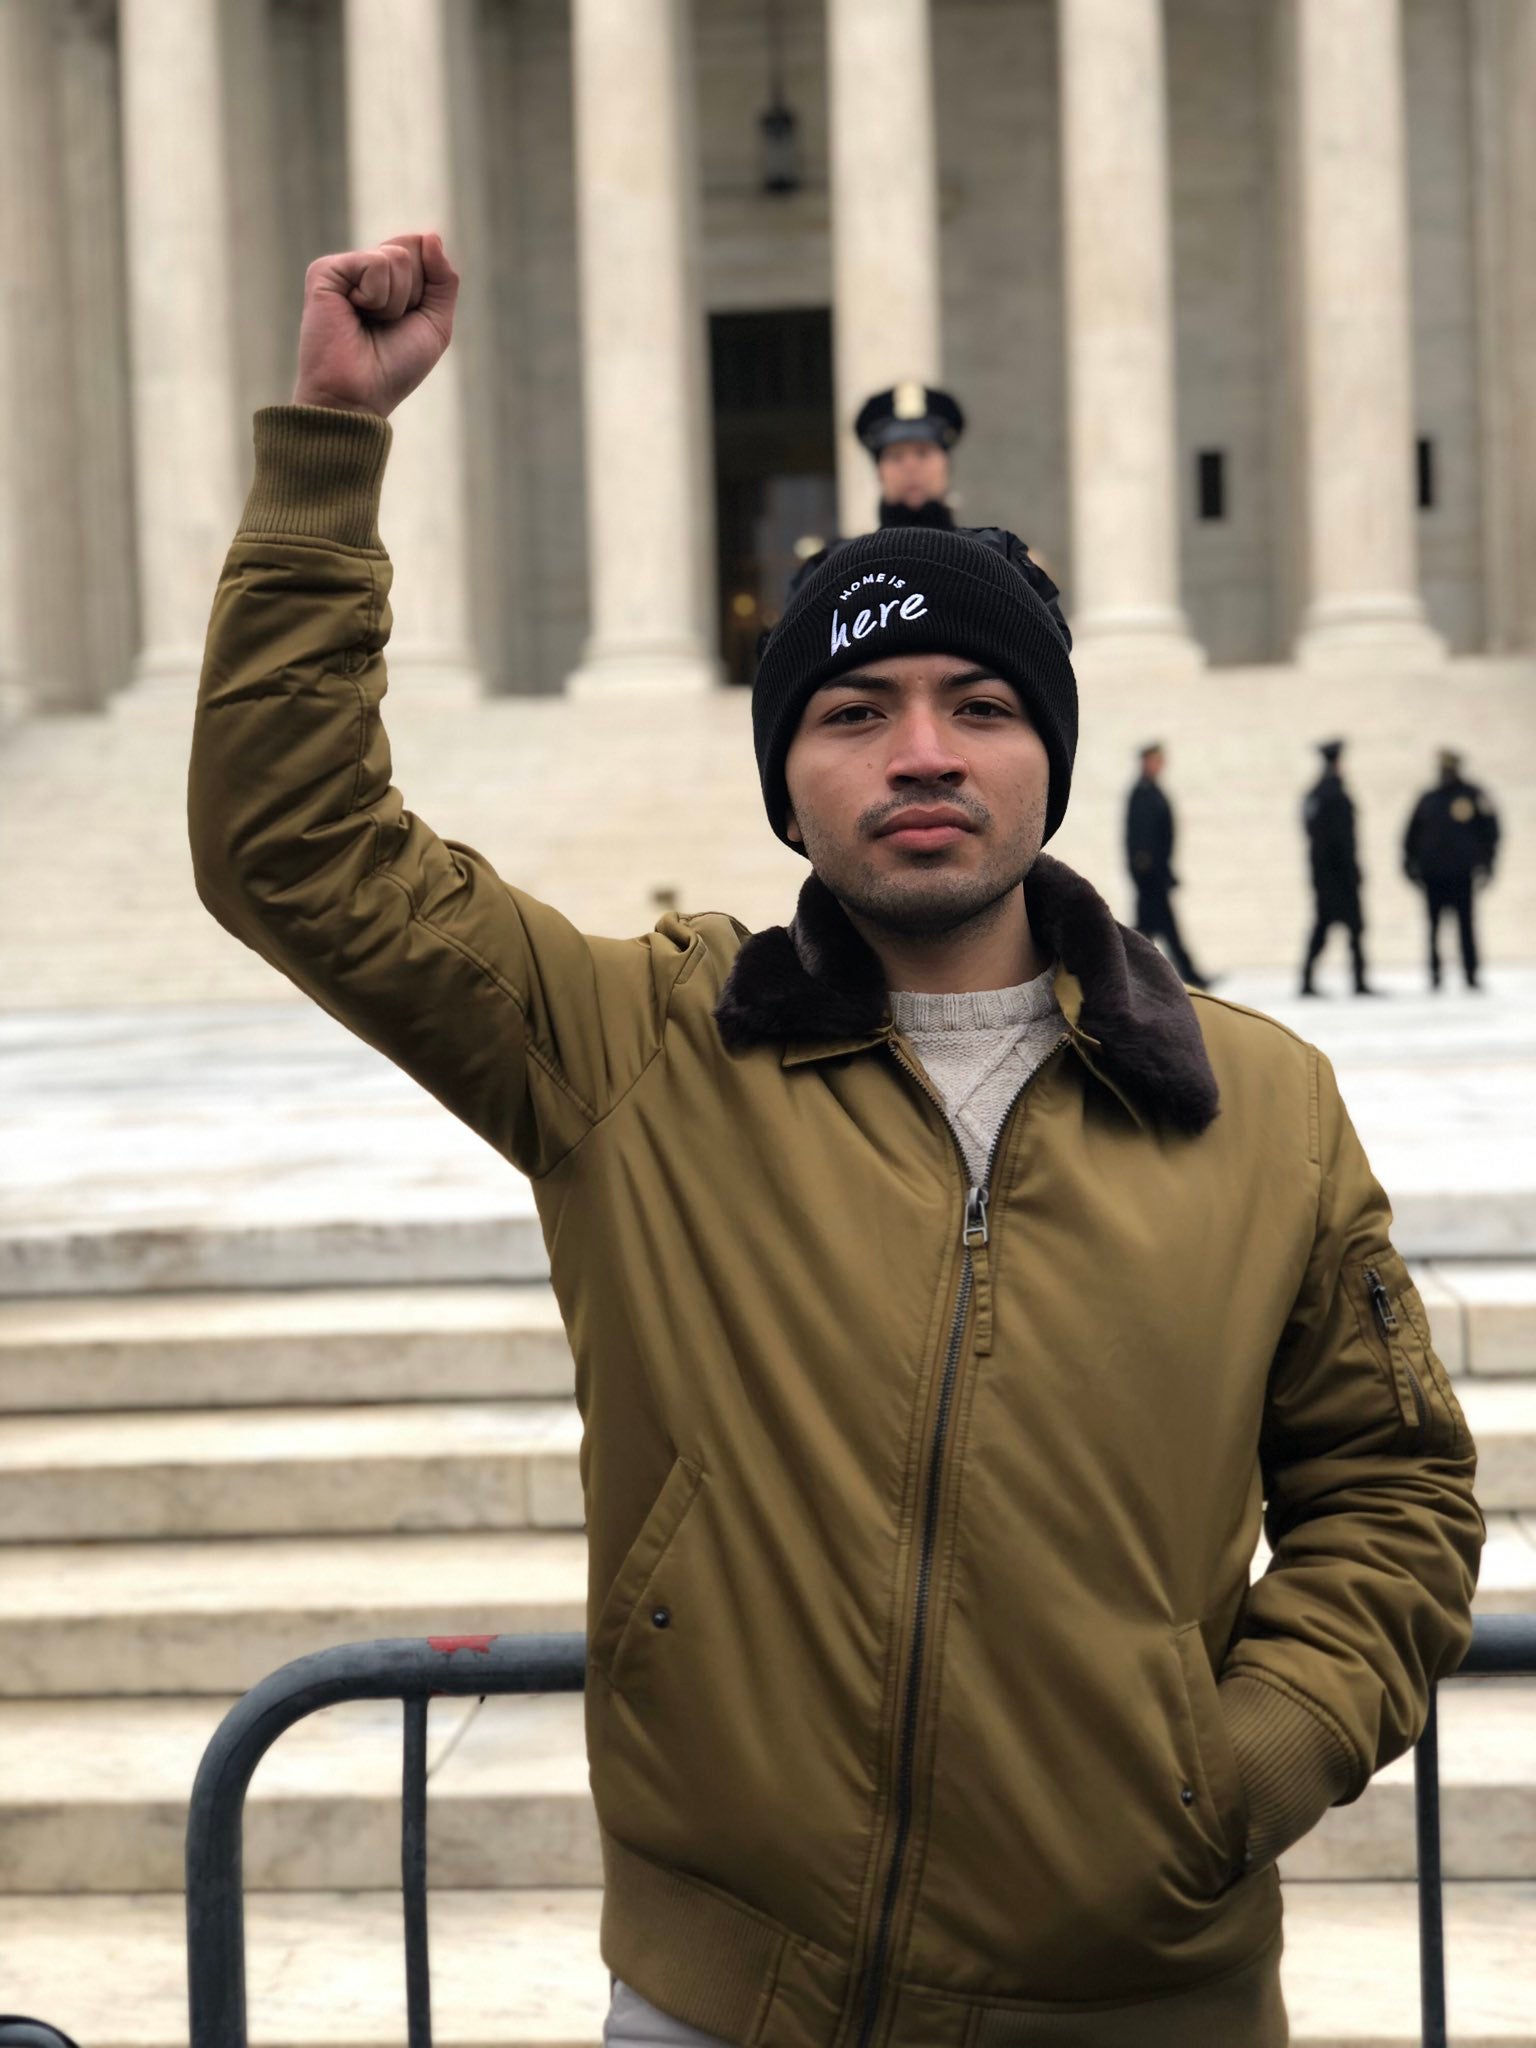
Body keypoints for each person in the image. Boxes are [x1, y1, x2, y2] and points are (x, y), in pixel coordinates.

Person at [189, 233, 1481, 2048]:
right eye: (856, 713)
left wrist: (1240, 1762)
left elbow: (1397, 1492)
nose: (922, 752)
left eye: (982, 704)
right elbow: (292, 845)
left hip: (1142, 1999)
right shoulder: (643, 1056)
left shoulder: (1258, 1107)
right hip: (730, 1997)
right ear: (789, 778)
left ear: (1051, 753)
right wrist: (330, 444)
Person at [1403, 749, 1500, 991]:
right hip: (1433, 875)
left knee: (1466, 926)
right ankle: (1435, 975)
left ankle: (1470, 974)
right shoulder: (1429, 798)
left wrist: (1487, 863)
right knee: (1434, 928)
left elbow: (1491, 832)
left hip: (1461, 874)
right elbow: (1411, 834)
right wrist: (1409, 865)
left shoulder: (1473, 796)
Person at [1124, 742, 1210, 990]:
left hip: (1156, 872)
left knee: (1148, 929)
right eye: (1156, 759)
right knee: (1159, 929)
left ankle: (1135, 974)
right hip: (1149, 874)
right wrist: (1144, 868)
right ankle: (1188, 974)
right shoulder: (1142, 792)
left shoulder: (1152, 790)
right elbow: (1139, 835)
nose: (1160, 764)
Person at [1300, 738, 1376, 997]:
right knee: (1350, 927)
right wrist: (1352, 872)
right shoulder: (1334, 794)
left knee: (1325, 927)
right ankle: (1357, 981)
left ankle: (1309, 979)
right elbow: (1341, 840)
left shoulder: (1315, 794)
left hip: (1324, 874)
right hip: (1338, 875)